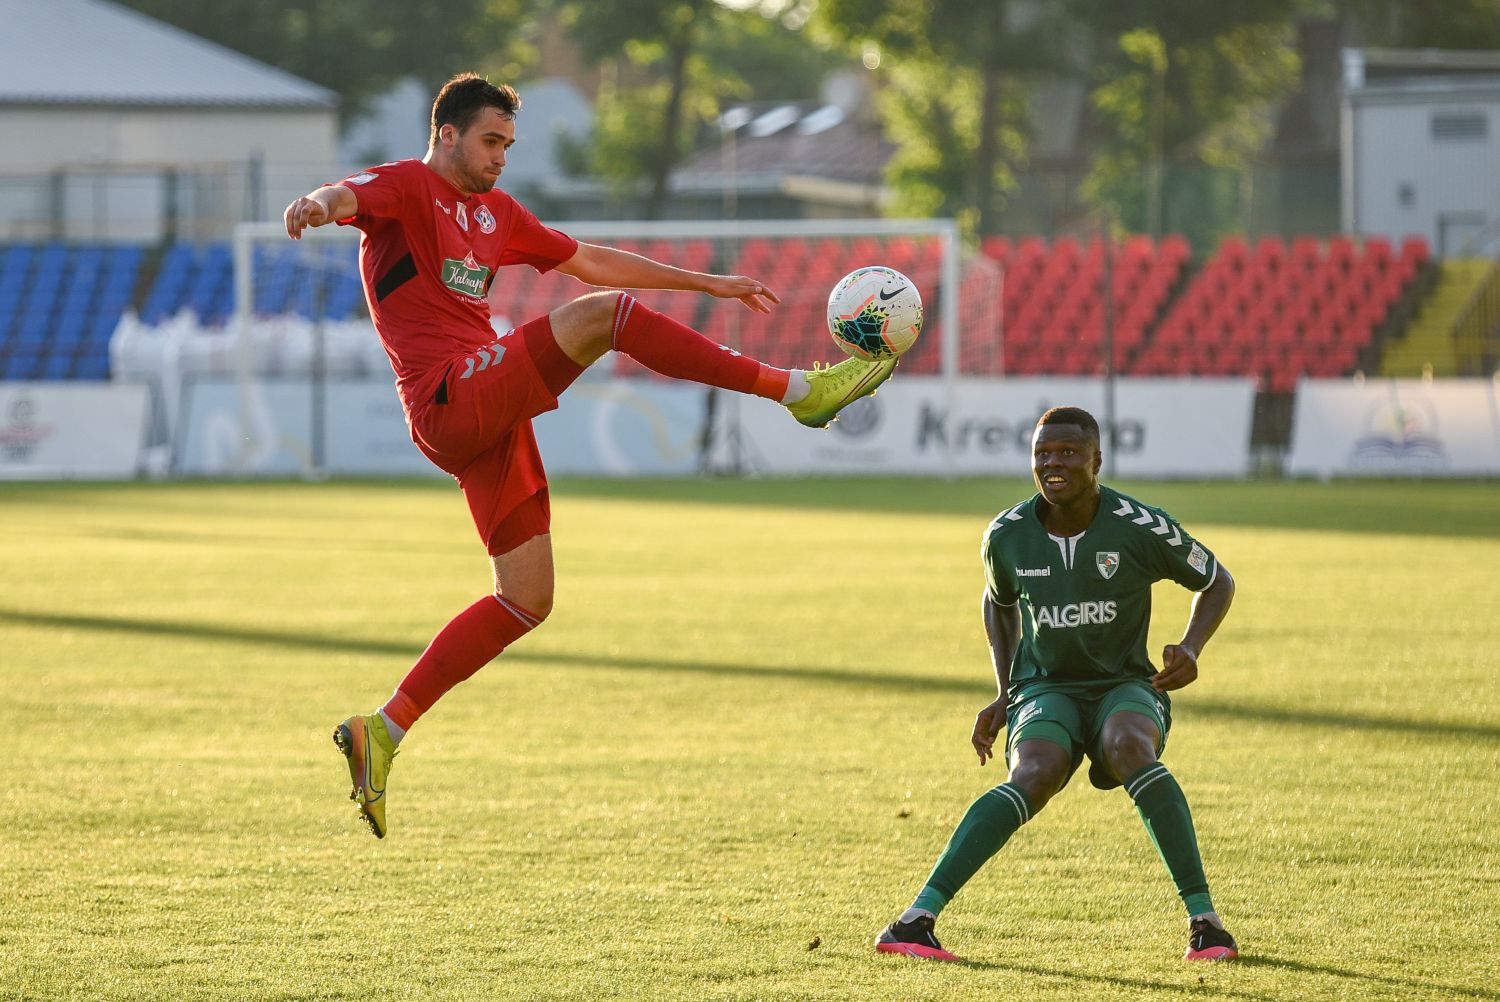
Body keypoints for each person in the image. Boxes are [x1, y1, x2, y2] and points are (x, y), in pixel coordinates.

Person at [284, 73, 896, 839]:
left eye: (509, 144)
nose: (501, 156)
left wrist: (703, 282)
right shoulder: (408, 186)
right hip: (447, 393)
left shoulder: (497, 214)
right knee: (603, 318)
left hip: (487, 412)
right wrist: (317, 205)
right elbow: (347, 195)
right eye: (490, 141)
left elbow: (591, 261)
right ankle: (798, 390)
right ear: (446, 134)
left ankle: (383, 728)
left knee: (526, 598)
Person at [874, 406, 1239, 963]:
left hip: (1124, 683)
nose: (1053, 464)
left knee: (1129, 745)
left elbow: (1217, 580)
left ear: (1097, 460)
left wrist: (1190, 647)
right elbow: (998, 602)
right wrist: (1004, 691)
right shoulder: (1006, 535)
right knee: (1035, 770)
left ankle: (1205, 922)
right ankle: (913, 921)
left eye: (1068, 452)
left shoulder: (1140, 525)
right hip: (1045, 688)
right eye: (1042, 454)